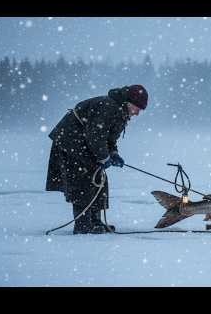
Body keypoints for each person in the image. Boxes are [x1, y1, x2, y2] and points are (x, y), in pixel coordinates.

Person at [45, 85, 148, 234]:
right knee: (83, 180)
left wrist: (113, 154)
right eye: (137, 108)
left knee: (99, 178)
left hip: (85, 144)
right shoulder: (108, 107)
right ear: (128, 102)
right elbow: (95, 135)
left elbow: (109, 138)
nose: (137, 113)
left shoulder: (121, 113)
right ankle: (83, 225)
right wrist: (103, 156)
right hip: (70, 142)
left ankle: (95, 221)